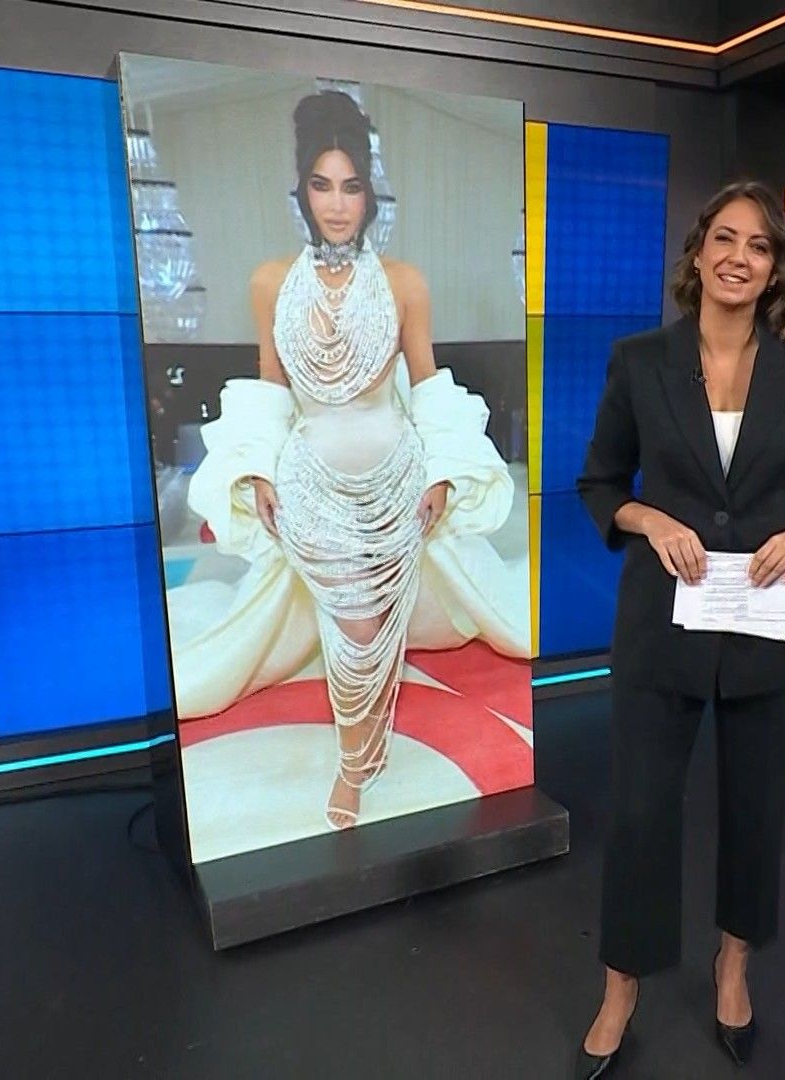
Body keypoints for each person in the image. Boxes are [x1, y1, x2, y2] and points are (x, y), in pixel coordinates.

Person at [165, 90, 531, 832]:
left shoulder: (403, 282)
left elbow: (426, 382)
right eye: (322, 185)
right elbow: (271, 383)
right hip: (311, 482)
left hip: (396, 478)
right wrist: (258, 469)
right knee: (354, 626)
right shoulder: (270, 282)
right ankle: (353, 759)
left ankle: (367, 738)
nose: (337, 204)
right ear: (302, 190)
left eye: (351, 186)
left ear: (370, 193)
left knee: (382, 620)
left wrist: (442, 472)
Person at [572, 180, 785, 1076]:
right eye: (725, 238)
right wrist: (651, 520)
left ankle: (733, 966)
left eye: (759, 246)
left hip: (767, 623)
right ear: (698, 252)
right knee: (642, 813)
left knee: (756, 812)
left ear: (776, 270)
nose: (738, 257)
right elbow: (600, 483)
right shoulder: (639, 360)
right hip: (665, 624)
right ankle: (621, 987)